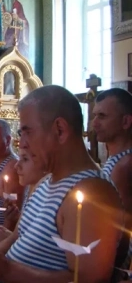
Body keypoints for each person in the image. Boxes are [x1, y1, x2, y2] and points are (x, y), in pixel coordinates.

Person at [0, 85, 124, 283]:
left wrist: (6, 271)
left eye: (27, 132)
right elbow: (15, 239)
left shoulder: (92, 193)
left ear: (60, 130)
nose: (21, 143)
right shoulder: (45, 183)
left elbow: (89, 280)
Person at [93, 88, 132, 280]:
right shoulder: (116, 160)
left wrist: (108, 269)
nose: (94, 123)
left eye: (102, 116)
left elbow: (122, 226)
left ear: (126, 121)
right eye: (94, 116)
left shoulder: (124, 165)